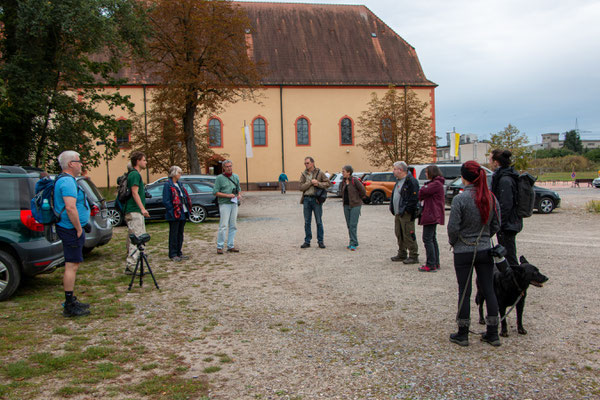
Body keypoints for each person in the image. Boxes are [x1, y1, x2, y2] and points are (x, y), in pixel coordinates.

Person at [447, 160, 501, 347]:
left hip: (463, 249)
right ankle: (493, 332)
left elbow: (453, 227)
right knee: (488, 289)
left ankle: (463, 333)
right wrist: (484, 238)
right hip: (484, 248)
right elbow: (496, 225)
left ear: (464, 177)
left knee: (465, 290)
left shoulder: (460, 199)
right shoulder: (491, 197)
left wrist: (455, 241)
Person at [54, 150, 91, 317]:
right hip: (70, 229)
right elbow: (70, 207)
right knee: (71, 265)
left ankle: (71, 300)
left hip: (69, 228)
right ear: (70, 164)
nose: (81, 164)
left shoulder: (65, 180)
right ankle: (69, 305)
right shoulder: (68, 182)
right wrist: (78, 228)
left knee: (73, 265)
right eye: (78, 161)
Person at [490, 149, 522, 267]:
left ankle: (514, 280)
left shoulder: (505, 179)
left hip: (507, 224)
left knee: (509, 256)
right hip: (508, 223)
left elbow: (505, 204)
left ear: (496, 162)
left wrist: (498, 223)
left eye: (490, 159)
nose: (489, 162)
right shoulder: (504, 176)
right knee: (507, 254)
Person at [124, 151, 149, 275]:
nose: (145, 162)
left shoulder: (134, 174)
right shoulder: (134, 174)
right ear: (138, 161)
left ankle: (135, 265)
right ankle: (132, 266)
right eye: (144, 160)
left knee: (134, 237)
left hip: (134, 211)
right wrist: (142, 209)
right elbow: (134, 192)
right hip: (134, 211)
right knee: (137, 238)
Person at [389, 161, 420, 264]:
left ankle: (413, 255)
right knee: (399, 233)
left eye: (394, 169)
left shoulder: (411, 181)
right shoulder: (398, 181)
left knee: (408, 233)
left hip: (406, 213)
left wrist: (407, 210)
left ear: (400, 170)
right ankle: (402, 253)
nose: (393, 171)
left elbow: (414, 198)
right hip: (398, 212)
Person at [417, 165, 445, 272]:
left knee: (427, 239)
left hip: (431, 214)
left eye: (427, 172)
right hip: (432, 213)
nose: (425, 174)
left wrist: (423, 189)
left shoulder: (435, 184)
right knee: (432, 238)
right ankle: (435, 262)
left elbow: (422, 192)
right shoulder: (436, 184)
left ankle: (431, 263)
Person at [299, 156, 331, 249]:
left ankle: (320, 241)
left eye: (307, 163)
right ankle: (307, 241)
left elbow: (328, 183)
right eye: (305, 163)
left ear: (312, 163)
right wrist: (310, 183)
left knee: (319, 221)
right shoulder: (303, 174)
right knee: (307, 222)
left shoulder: (320, 173)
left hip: (316, 200)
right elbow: (301, 187)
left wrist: (318, 183)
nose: (306, 164)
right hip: (306, 199)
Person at [162, 166, 192, 262]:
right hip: (174, 213)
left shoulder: (179, 184)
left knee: (180, 234)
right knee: (173, 234)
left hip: (182, 212)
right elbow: (166, 200)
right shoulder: (168, 185)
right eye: (179, 172)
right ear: (174, 173)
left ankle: (179, 252)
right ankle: (173, 253)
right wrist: (172, 211)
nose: (180, 174)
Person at [213, 160, 242, 254]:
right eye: (227, 166)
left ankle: (230, 245)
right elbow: (215, 192)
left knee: (233, 225)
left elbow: (239, 189)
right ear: (224, 168)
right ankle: (220, 246)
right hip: (224, 203)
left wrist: (238, 195)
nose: (229, 168)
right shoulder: (219, 178)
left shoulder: (236, 177)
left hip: (234, 203)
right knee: (223, 225)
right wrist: (227, 195)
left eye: (230, 166)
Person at [339, 165, 366, 250]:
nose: (342, 173)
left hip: (355, 205)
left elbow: (363, 191)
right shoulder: (343, 181)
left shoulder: (355, 181)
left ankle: (353, 243)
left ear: (348, 172)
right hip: (346, 205)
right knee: (349, 225)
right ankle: (353, 241)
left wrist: (357, 200)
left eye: (343, 171)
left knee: (353, 224)